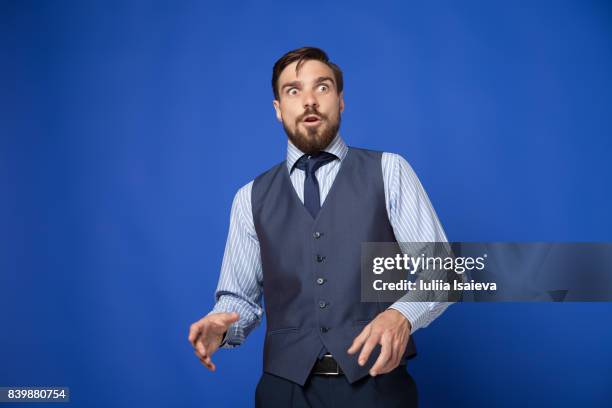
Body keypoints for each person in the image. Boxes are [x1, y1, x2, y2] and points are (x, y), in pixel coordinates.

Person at [188, 46, 451, 407]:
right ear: (279, 110)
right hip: (285, 391)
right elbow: (240, 299)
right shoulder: (249, 197)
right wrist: (221, 326)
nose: (309, 101)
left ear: (340, 101)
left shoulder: (389, 171)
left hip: (375, 387)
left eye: (322, 88)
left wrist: (401, 314)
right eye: (293, 91)